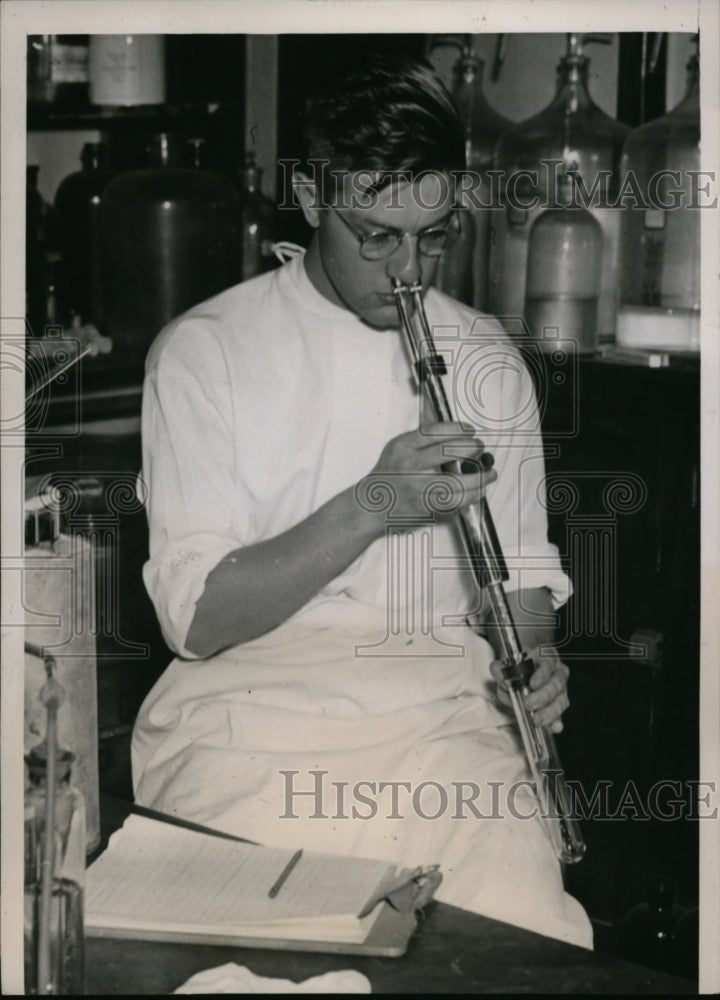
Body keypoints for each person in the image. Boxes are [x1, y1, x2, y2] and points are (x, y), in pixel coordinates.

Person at [132, 52, 593, 949]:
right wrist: (376, 501)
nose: (407, 270)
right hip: (249, 728)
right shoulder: (205, 352)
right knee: (280, 955)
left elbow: (528, 575)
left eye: (434, 236)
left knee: (529, 940)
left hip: (445, 722)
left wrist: (534, 658)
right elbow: (197, 622)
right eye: (376, 235)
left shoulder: (486, 354)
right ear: (310, 196)